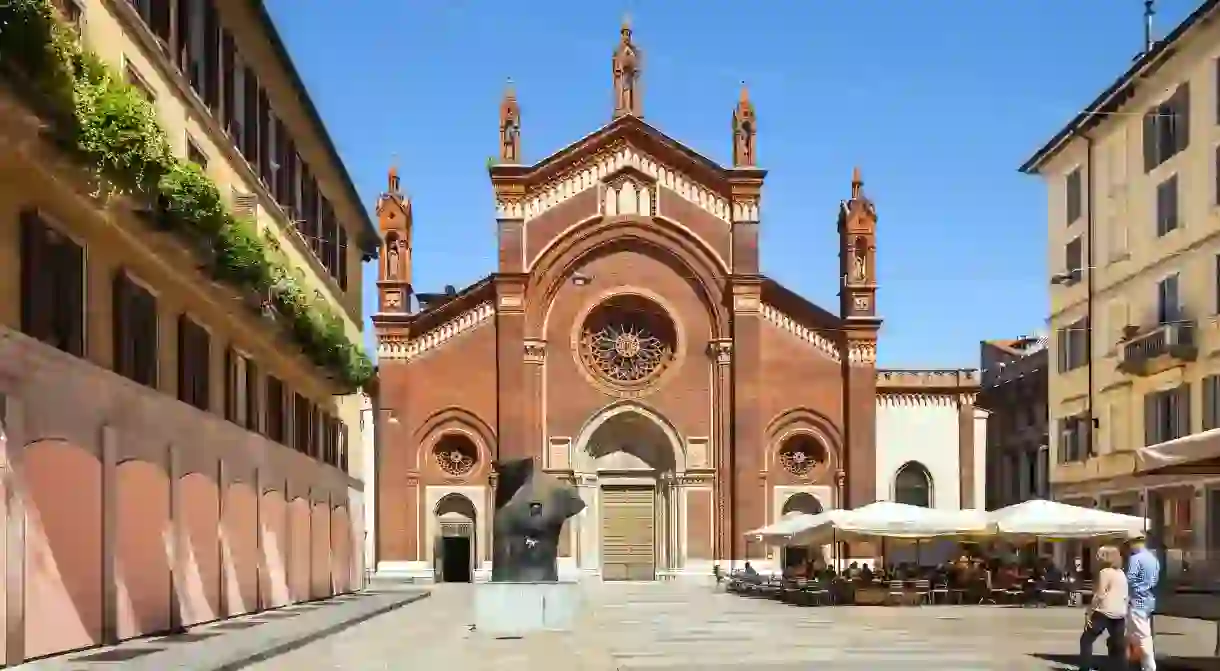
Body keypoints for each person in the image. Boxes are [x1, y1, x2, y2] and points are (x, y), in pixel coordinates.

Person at [1079, 545, 1128, 670]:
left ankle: (1085, 668)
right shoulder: (1121, 573)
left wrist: (1089, 611)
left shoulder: (1105, 573)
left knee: (1086, 640)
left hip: (1104, 611)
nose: (1097, 558)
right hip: (1120, 612)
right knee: (1118, 645)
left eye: (1100, 555)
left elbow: (1100, 595)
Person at [1126, 535, 1161, 671]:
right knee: (1136, 634)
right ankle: (1138, 664)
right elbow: (1155, 580)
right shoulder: (1153, 559)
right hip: (1149, 599)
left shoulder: (1135, 559)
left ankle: (1148, 666)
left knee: (1142, 635)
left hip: (1137, 600)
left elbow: (1129, 580)